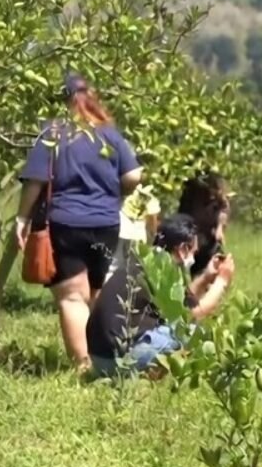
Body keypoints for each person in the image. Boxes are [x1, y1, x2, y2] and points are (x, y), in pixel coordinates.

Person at [15, 72, 143, 371]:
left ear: (62, 101)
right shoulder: (109, 135)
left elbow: (35, 180)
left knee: (73, 298)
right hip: (106, 224)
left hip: (65, 223)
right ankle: (110, 359)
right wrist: (114, 191)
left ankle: (84, 366)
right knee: (97, 294)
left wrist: (21, 218)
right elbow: (133, 176)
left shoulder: (52, 133)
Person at [86, 213, 235, 378]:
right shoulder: (163, 270)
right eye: (193, 251)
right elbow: (193, 313)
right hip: (119, 362)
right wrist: (222, 280)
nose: (193, 256)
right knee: (193, 332)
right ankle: (145, 378)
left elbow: (183, 303)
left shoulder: (148, 261)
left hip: (99, 360)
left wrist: (206, 276)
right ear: (182, 249)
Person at [178, 172, 231, 278]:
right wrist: (192, 238)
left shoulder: (217, 194)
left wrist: (220, 228)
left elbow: (224, 208)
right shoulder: (190, 196)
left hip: (210, 241)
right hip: (193, 241)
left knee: (213, 271)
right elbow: (184, 218)